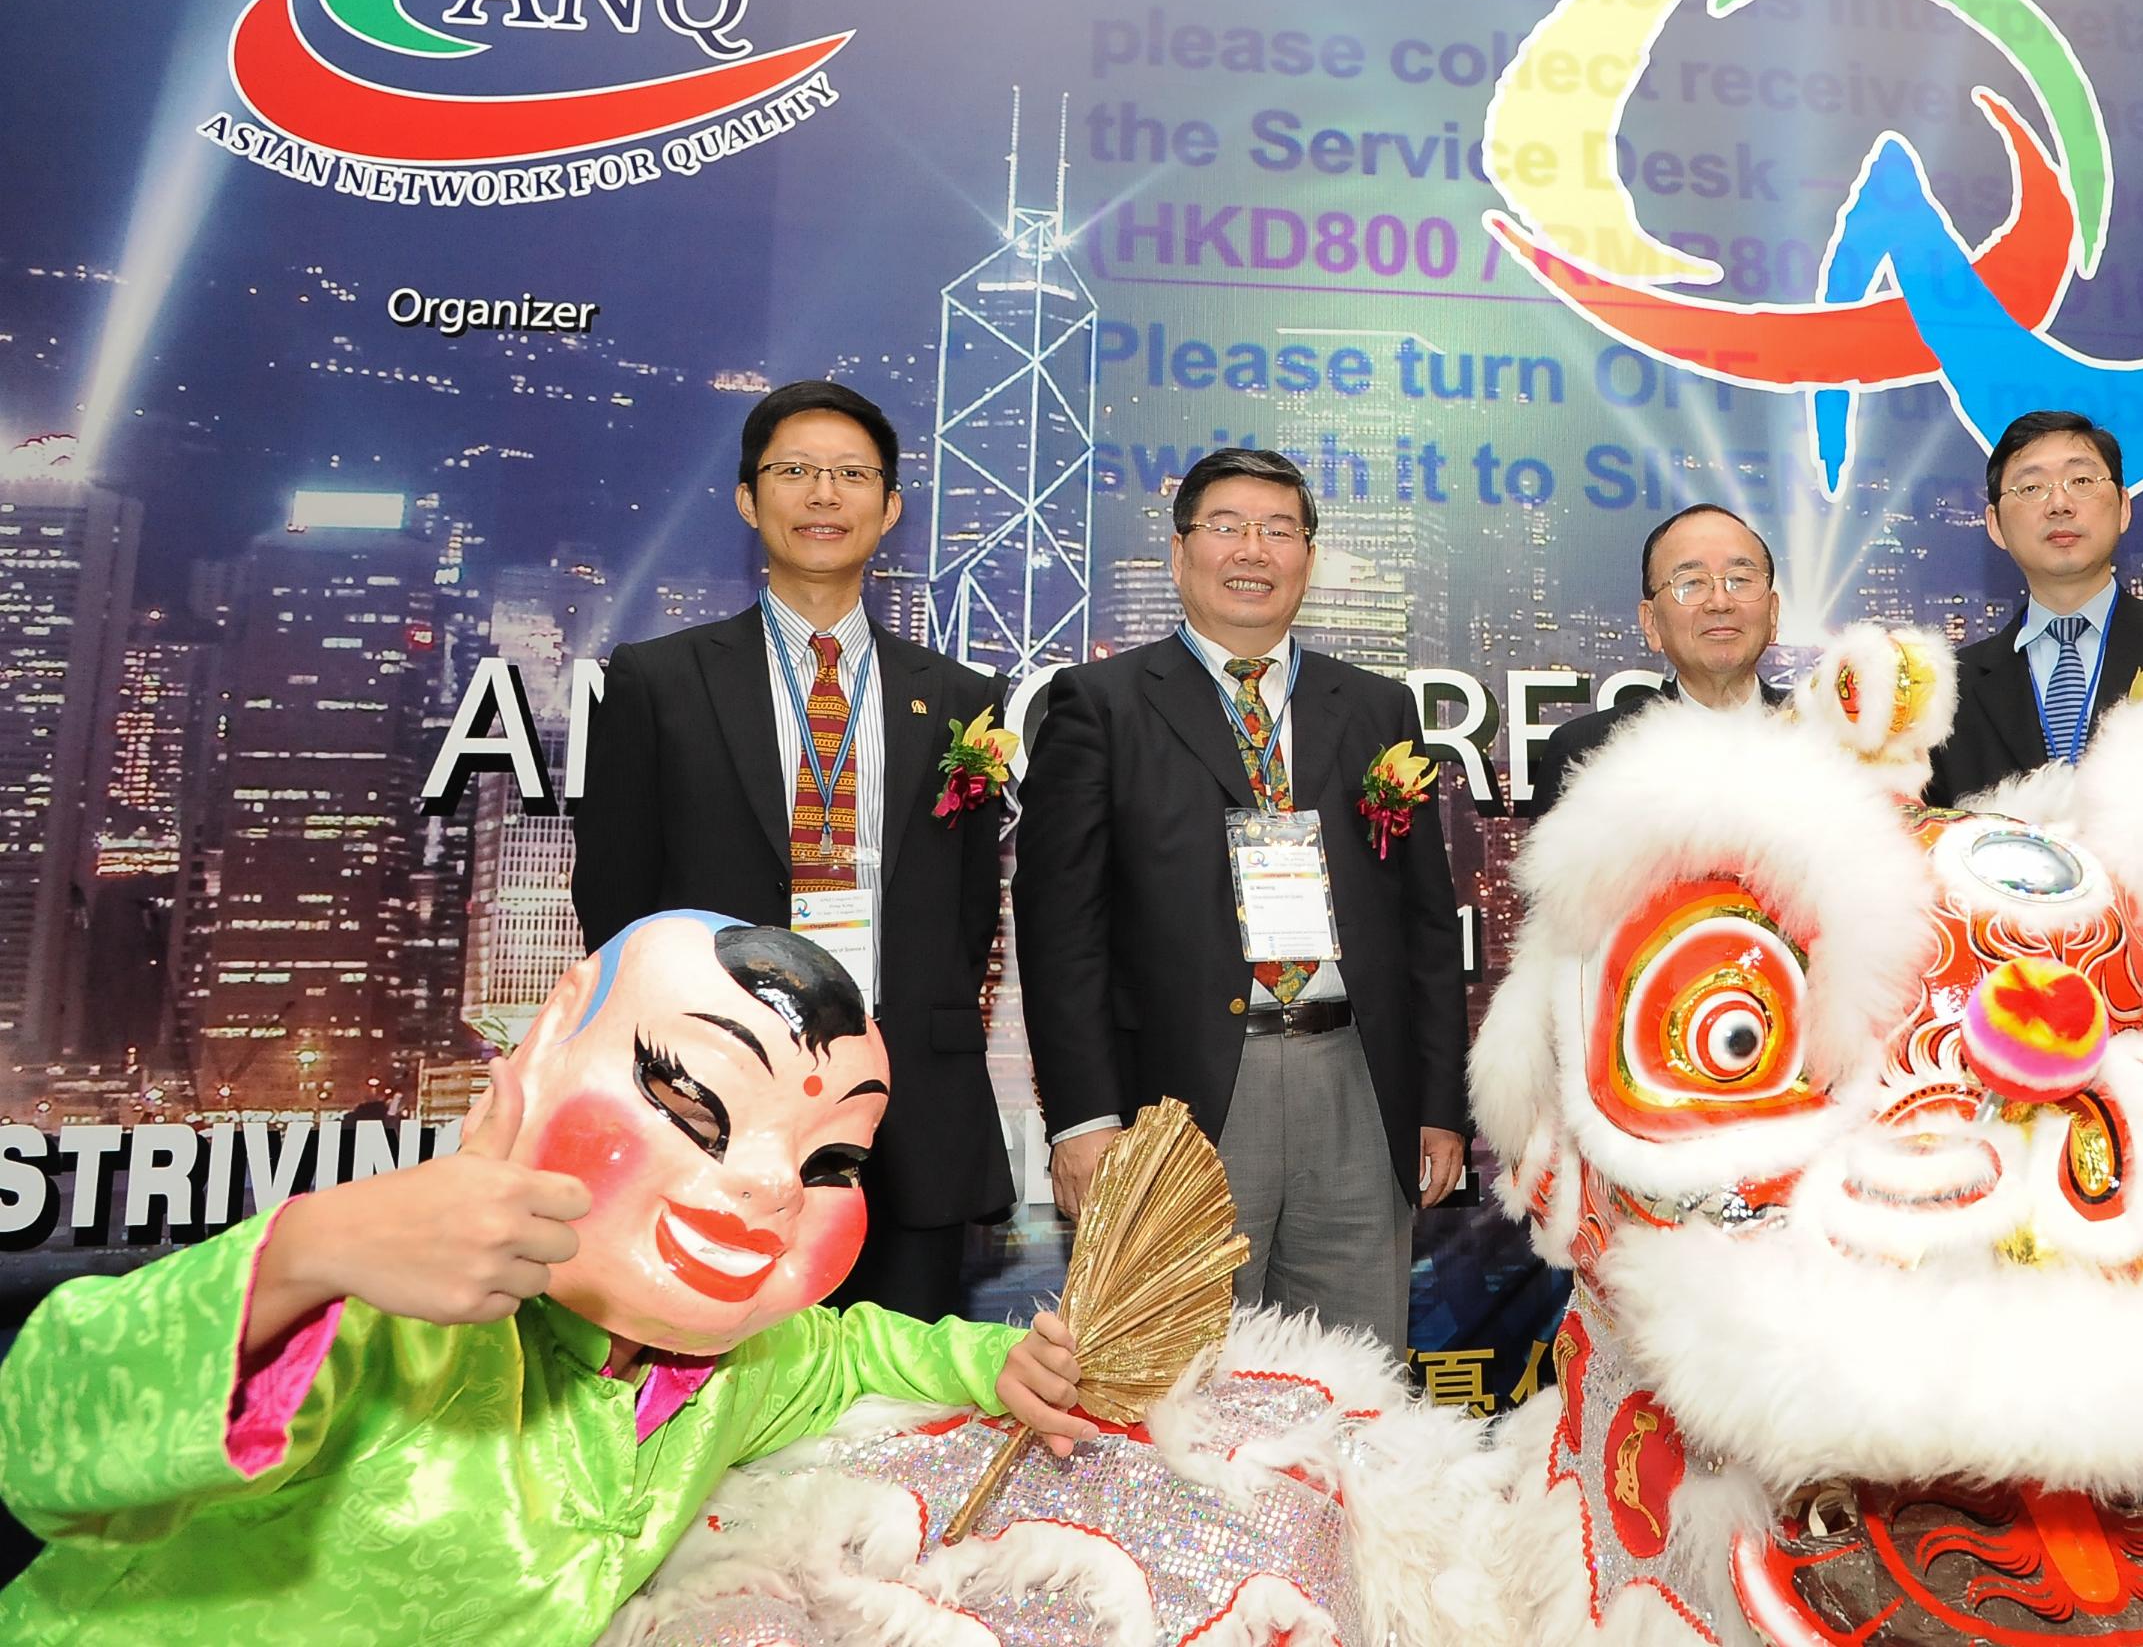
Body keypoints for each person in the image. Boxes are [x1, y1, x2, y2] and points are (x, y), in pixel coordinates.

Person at [0, 914, 1090, 1647]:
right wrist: (305, 1255)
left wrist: (1007, 1358)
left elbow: (856, 1349)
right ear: (550, 1040)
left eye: (829, 1162)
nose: (768, 1185)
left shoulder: (739, 1361)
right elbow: (41, 1438)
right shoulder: (381, 1317)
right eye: (693, 1101)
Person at [571, 380, 1015, 1321]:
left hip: (911, 1105)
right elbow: (616, 904)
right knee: (729, 1405)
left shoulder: (964, 696)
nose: (825, 495)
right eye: (796, 472)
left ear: (889, 507)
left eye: (852, 475)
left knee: (905, 1398)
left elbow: (974, 909)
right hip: (720, 1111)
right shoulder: (660, 682)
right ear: (748, 499)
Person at [1013, 447, 1467, 1348]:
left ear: (1309, 556)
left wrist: (1439, 1103)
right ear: (1181, 554)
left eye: (1278, 530)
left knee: (1355, 1378)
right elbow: (1061, 928)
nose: (1251, 550)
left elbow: (1424, 922)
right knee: (1180, 1385)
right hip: (1179, 1097)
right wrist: (1084, 1119)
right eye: (1225, 527)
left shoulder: (1376, 707)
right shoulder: (1101, 704)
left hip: (1356, 1081)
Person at [1925, 408, 2143, 807]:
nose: (2059, 504)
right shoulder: (1949, 691)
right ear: (1995, 525)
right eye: (2032, 488)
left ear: (2123, 507)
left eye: (2082, 481)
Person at [1530, 503, 1789, 817]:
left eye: (1740, 579)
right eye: (1691, 583)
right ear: (1650, 623)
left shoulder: (1827, 738)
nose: (1720, 602)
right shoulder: (1587, 753)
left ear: (1773, 614)